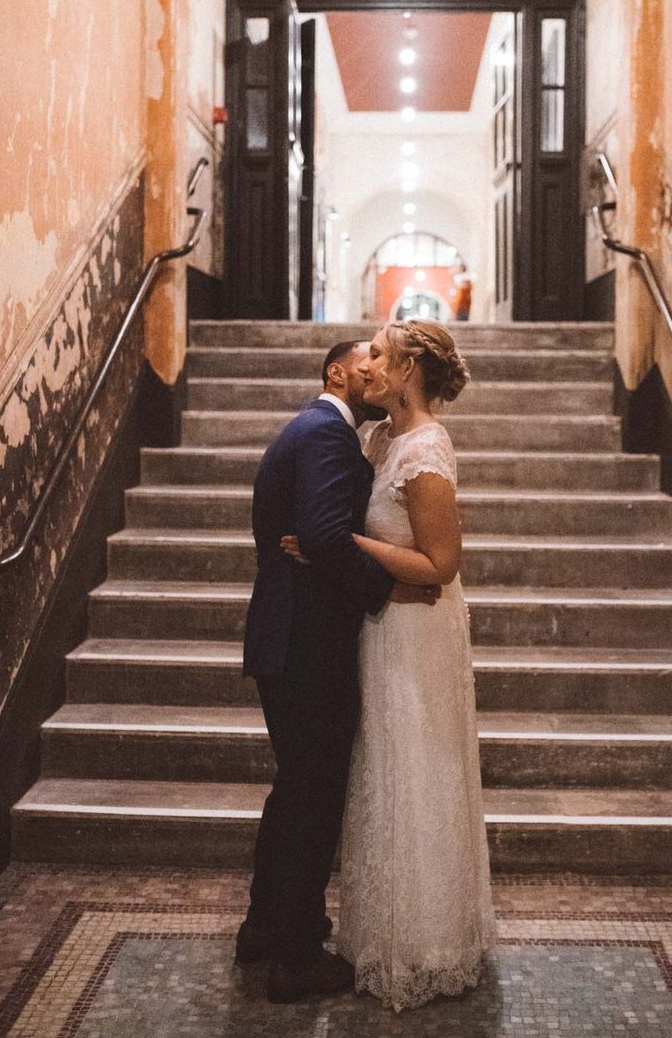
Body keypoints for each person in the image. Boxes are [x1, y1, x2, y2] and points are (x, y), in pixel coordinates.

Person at [283, 320, 496, 1011]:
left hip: (415, 627)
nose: (365, 364)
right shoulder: (377, 439)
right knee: (379, 773)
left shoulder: (428, 448)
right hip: (377, 626)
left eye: (377, 354)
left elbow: (441, 564)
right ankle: (376, 928)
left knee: (416, 770)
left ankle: (425, 940)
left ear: (407, 371)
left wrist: (345, 545)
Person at [238, 340, 441, 1005]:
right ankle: (296, 957)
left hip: (288, 635)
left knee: (293, 788)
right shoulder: (326, 433)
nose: (372, 369)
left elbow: (318, 536)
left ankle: (265, 926)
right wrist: (385, 591)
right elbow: (324, 535)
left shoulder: (319, 431)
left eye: (384, 359)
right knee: (313, 796)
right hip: (307, 642)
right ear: (336, 373)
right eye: (365, 360)